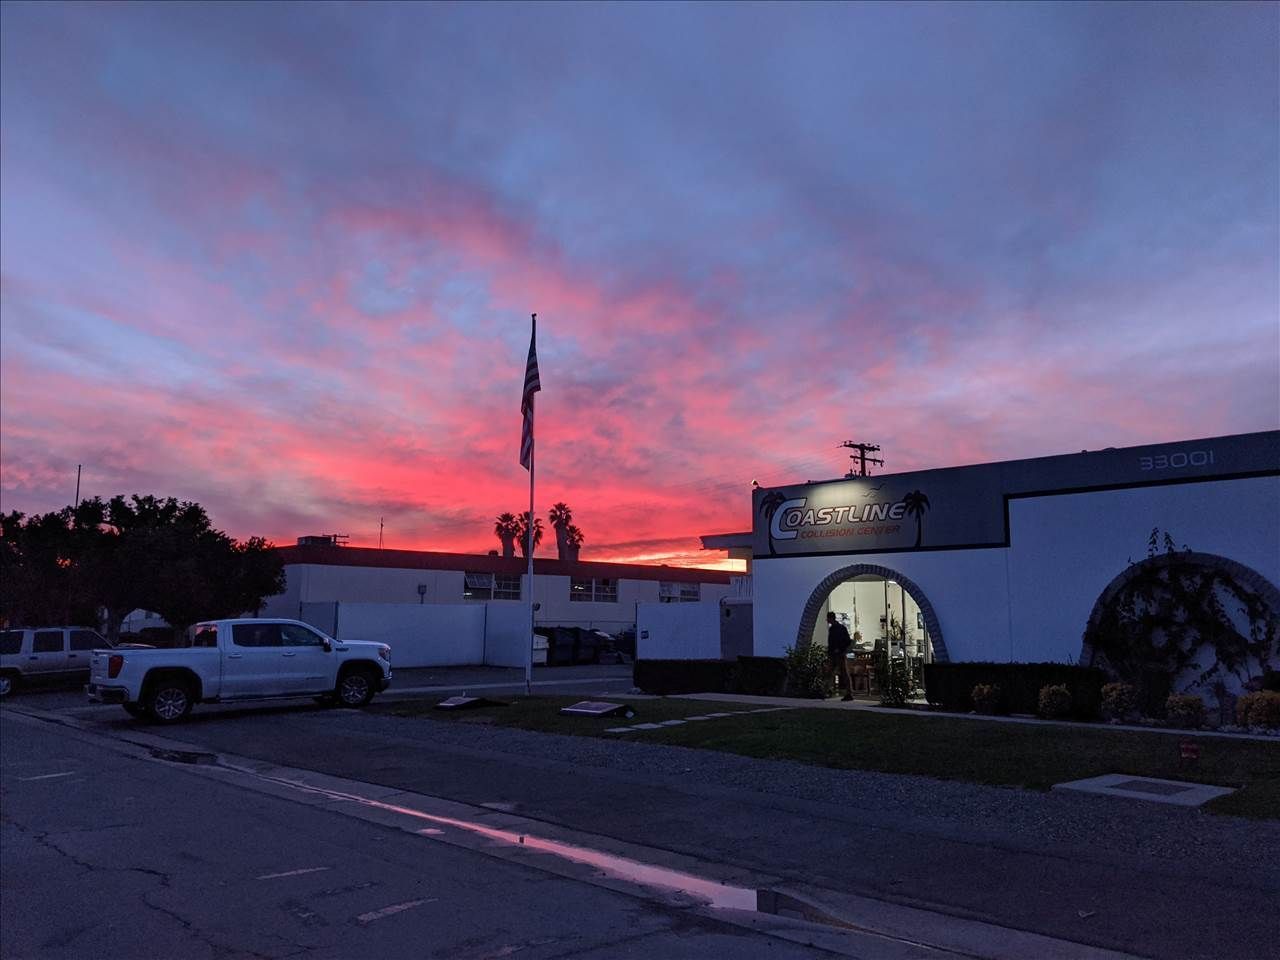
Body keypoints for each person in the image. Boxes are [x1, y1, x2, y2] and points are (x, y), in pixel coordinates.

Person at [826, 611, 854, 701]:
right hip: (836, 653)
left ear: (831, 619)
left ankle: (847, 693)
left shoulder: (837, 629)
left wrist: (839, 649)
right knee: (839, 673)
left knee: (838, 673)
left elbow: (845, 641)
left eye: (828, 619)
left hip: (838, 654)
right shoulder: (838, 628)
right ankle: (847, 692)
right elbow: (847, 641)